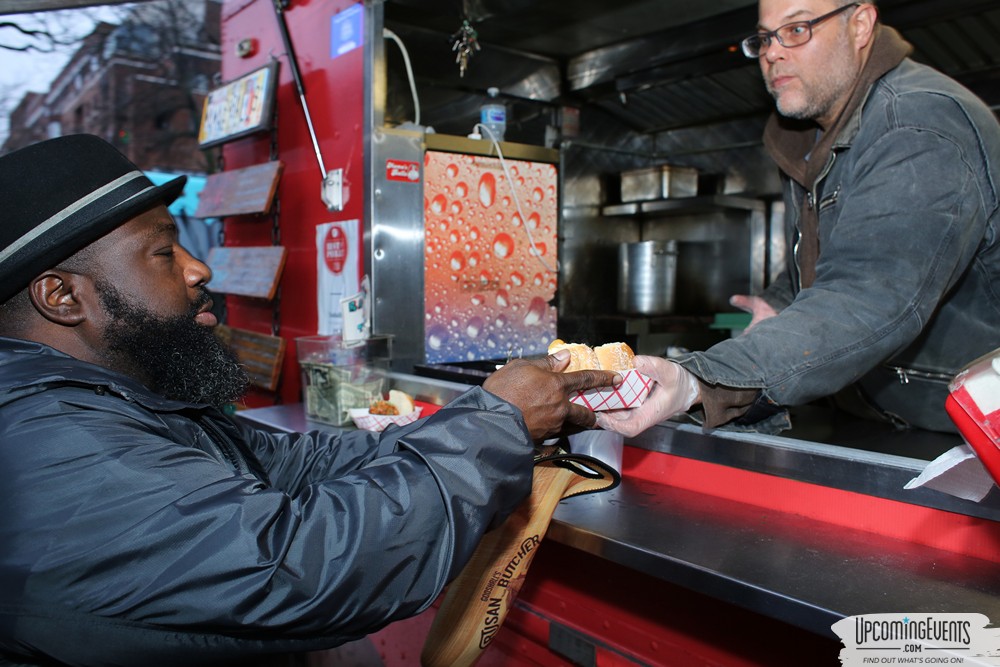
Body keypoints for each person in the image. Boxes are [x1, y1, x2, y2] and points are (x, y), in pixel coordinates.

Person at [0, 134, 618, 666]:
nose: (198, 270)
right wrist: (496, 425)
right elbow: (298, 566)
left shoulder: (105, 403)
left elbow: (296, 462)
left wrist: (487, 416)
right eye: (164, 253)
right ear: (61, 296)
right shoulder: (46, 441)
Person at [599, 0, 1000, 437]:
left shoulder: (917, 125)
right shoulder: (813, 136)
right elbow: (829, 260)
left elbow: (865, 296)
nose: (772, 53)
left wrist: (703, 378)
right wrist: (780, 301)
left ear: (860, 25)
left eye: (797, 29)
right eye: (764, 37)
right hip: (892, 418)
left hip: (970, 432)